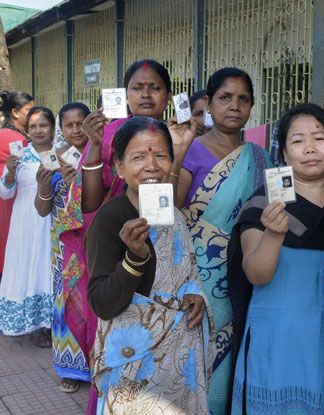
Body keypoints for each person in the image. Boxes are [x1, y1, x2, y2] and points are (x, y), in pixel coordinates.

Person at [85, 116, 212, 414]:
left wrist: (195, 295)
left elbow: (186, 271)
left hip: (179, 365)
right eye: (139, 157)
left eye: (161, 156)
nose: (152, 166)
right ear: (119, 166)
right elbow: (102, 304)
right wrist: (134, 258)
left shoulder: (174, 216)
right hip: (133, 366)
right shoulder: (110, 219)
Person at [70, 59, 174, 413]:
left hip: (169, 254)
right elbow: (89, 201)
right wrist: (96, 144)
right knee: (119, 347)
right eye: (137, 88)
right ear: (125, 93)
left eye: (155, 87)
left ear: (168, 95)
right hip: (118, 244)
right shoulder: (112, 132)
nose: (146, 94)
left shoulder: (180, 133)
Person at [229, 103, 324, 414]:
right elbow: (256, 273)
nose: (309, 149)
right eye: (297, 141)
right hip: (276, 339)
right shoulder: (264, 203)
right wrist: (274, 234)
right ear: (283, 154)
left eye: (319, 138)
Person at [170, 67, 271, 414]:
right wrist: (178, 153)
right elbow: (168, 213)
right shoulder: (191, 152)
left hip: (244, 277)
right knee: (195, 366)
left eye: (243, 99)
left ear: (252, 106)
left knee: (230, 368)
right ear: (209, 104)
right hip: (198, 279)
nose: (234, 106)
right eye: (225, 98)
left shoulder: (260, 158)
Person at [34, 102, 91, 393]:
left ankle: (97, 365)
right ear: (61, 129)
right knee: (67, 303)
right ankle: (70, 369)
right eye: (69, 125)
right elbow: (42, 210)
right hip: (63, 247)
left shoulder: (98, 157)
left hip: (94, 243)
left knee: (93, 304)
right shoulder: (52, 161)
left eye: (81, 123)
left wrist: (77, 184)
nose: (75, 130)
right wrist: (45, 188)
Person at [0, 106, 55, 346]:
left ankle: (50, 325)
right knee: (27, 267)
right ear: (27, 130)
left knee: (48, 269)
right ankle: (29, 323)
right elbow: (4, 192)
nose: (38, 130)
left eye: (43, 125)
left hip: (53, 222)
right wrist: (10, 173)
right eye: (33, 126)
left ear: (52, 127)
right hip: (25, 223)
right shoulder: (19, 156)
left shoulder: (62, 153)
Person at [0, 91, 34, 278]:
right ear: (15, 112)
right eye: (30, 110)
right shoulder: (13, 138)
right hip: (9, 203)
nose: (34, 114)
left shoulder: (12, 135)